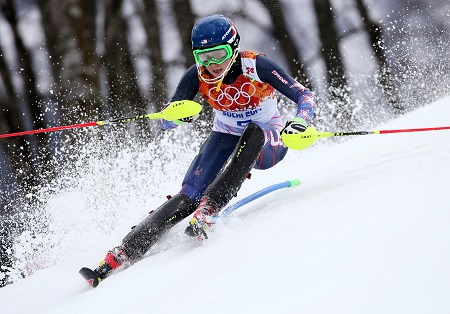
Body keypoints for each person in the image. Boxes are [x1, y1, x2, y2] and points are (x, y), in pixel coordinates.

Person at [83, 14, 317, 285]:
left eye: (218, 54)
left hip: (267, 140)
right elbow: (165, 120)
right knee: (190, 194)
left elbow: (305, 95)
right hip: (225, 135)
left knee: (252, 131)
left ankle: (210, 207)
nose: (212, 64)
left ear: (234, 46)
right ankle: (124, 250)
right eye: (204, 57)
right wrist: (174, 118)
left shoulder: (256, 65)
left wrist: (301, 120)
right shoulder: (195, 75)